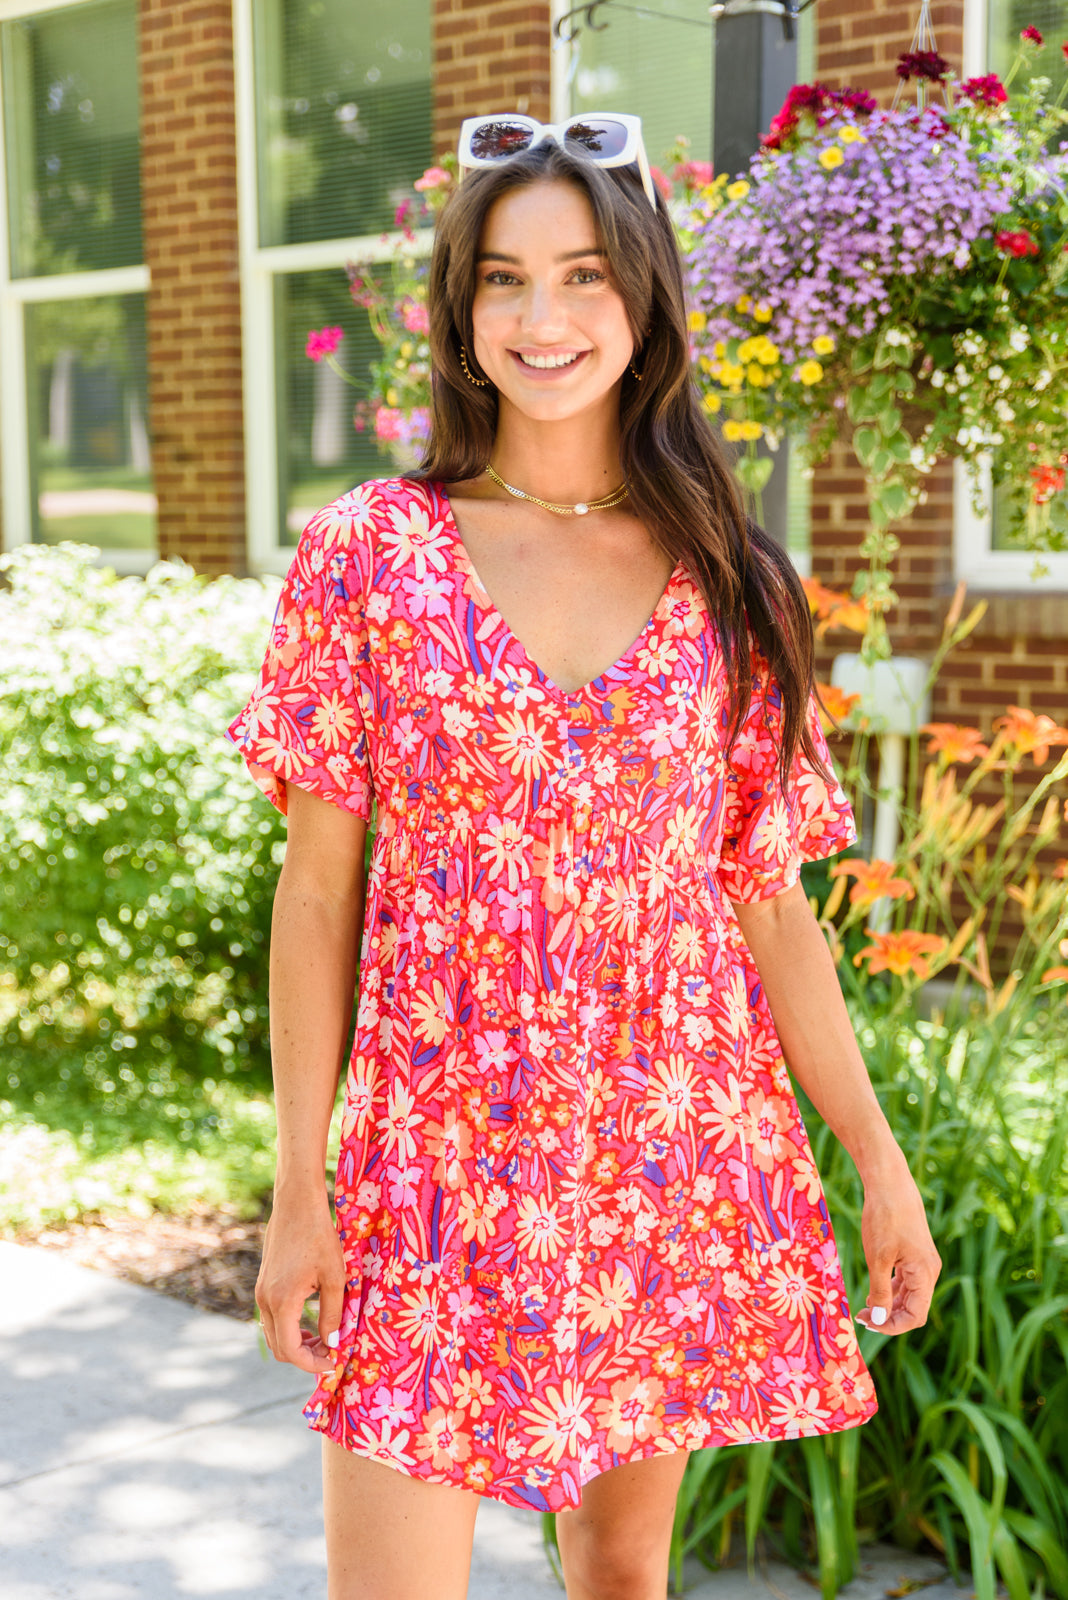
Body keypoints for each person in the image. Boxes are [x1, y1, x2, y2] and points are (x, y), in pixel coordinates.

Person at [228, 112, 941, 1600]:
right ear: (459, 308)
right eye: (503, 278)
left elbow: (768, 904)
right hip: (432, 1167)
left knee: (621, 1578)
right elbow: (317, 895)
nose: (541, 317)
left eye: (582, 277)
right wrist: (300, 1186)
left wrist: (879, 1163)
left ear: (643, 299)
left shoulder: (734, 579)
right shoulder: (373, 552)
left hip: (660, 1152)